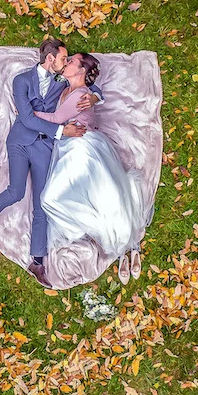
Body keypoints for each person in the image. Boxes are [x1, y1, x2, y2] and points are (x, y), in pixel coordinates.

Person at [0, 38, 104, 288]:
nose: (65, 63)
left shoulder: (61, 82)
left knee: (41, 204)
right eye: (63, 58)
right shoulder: (21, 80)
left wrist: (95, 97)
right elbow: (28, 119)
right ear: (50, 58)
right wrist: (62, 132)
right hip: (20, 141)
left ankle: (37, 261)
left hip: (44, 148)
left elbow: (86, 88)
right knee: (16, 191)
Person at [32, 53, 151, 286]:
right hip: (68, 147)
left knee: (50, 199)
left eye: (71, 62)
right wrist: (97, 95)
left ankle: (115, 240)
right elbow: (91, 92)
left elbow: (57, 117)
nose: (66, 64)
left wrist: (29, 115)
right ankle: (116, 241)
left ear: (82, 70)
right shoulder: (73, 89)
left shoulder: (81, 95)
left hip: (81, 148)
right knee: (94, 195)